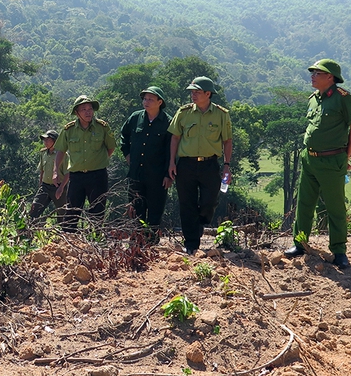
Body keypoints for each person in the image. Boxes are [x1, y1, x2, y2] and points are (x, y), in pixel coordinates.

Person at [284, 59, 351, 269]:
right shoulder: (313, 99)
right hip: (309, 158)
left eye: (317, 73)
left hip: (332, 159)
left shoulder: (343, 99)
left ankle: (339, 251)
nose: (312, 76)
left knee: (335, 206)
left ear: (330, 77)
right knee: (304, 203)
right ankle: (300, 243)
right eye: (313, 72)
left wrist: (346, 156)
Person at [168, 77, 232, 255]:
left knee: (209, 201)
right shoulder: (184, 112)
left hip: (209, 164)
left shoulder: (221, 114)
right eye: (192, 92)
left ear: (208, 94)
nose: (193, 95)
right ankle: (191, 243)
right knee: (186, 204)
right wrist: (172, 162)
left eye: (197, 92)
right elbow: (175, 137)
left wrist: (227, 165)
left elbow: (227, 141)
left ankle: (201, 222)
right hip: (186, 164)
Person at [53, 95, 116, 232]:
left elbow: (111, 147)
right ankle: (69, 242)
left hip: (98, 176)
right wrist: (56, 171)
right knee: (72, 211)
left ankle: (95, 242)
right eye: (84, 109)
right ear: (77, 112)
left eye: (90, 109)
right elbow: (60, 151)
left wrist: (98, 161)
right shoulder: (68, 130)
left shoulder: (102, 127)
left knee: (97, 211)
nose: (88, 112)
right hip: (76, 177)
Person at [119, 86, 173, 234]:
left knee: (155, 212)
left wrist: (169, 175)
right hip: (136, 174)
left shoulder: (168, 122)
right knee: (136, 211)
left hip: (157, 176)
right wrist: (127, 153)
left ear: (160, 102)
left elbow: (172, 150)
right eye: (144, 98)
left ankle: (151, 245)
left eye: (150, 99)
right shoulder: (135, 118)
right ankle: (137, 245)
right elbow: (124, 135)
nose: (146, 102)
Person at [29, 130, 70, 227]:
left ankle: (66, 236)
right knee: (34, 209)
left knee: (62, 214)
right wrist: (40, 186)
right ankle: (29, 232)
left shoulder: (63, 155)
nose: (45, 142)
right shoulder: (43, 153)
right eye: (44, 140)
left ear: (55, 141)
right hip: (45, 186)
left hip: (58, 187)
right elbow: (42, 171)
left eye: (48, 140)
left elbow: (68, 174)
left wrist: (61, 188)